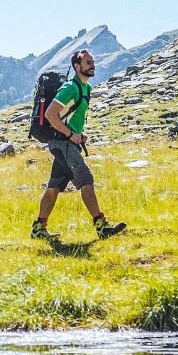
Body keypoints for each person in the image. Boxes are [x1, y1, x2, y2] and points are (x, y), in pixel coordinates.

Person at [35, 49, 126, 240]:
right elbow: (50, 114)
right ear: (77, 67)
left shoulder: (87, 88)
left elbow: (69, 115)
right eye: (88, 63)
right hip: (62, 143)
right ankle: (101, 226)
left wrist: (79, 133)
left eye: (93, 62)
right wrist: (70, 134)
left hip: (68, 142)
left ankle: (39, 229)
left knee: (54, 187)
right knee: (86, 179)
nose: (93, 66)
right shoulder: (71, 88)